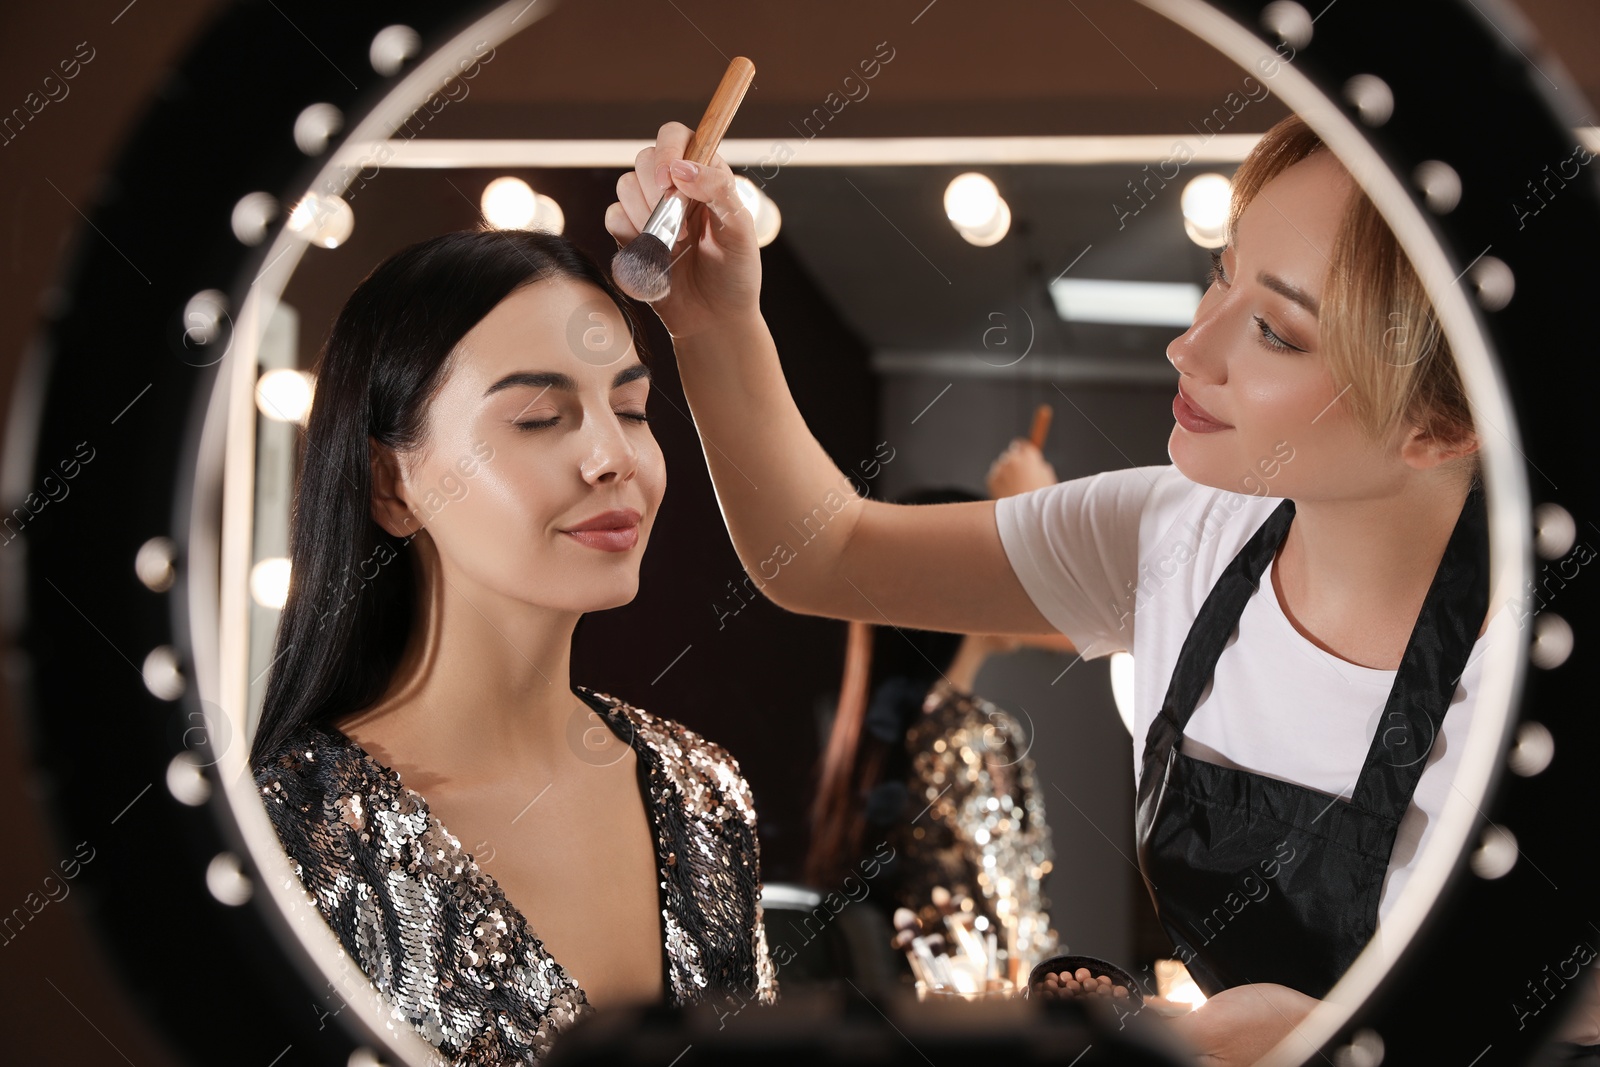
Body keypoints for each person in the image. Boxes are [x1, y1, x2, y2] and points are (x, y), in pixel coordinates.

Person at [604, 112, 1525, 1062]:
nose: (1191, 346)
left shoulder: (1525, 671)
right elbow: (824, 554)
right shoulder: (1178, 535)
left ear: (1441, 425)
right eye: (1221, 271)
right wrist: (714, 321)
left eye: (1275, 331)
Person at [248, 228, 776, 1066]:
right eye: (539, 417)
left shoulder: (703, 791)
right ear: (393, 484)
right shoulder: (287, 833)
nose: (613, 455)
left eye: (632, 410)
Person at [805, 487, 1066, 988]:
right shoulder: (974, 736)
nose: (1024, 579)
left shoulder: (881, 736)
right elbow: (1013, 938)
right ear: (964, 585)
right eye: (1008, 559)